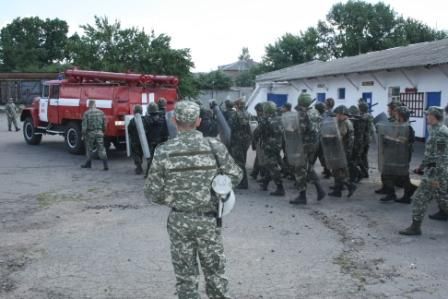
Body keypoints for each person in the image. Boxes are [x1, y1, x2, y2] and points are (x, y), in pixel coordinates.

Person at [144, 100, 242, 299]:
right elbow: (236, 176)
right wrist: (215, 189)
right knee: (215, 274)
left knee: (185, 277)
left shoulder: (164, 150)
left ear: (175, 120)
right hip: (208, 219)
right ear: (198, 121)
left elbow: (152, 192)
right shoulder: (215, 146)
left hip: (179, 220)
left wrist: (174, 196)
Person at [399, 107, 448, 236]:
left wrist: (435, 175)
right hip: (436, 169)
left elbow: (441, 157)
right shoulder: (434, 129)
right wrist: (421, 167)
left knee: (420, 198)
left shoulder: (441, 132)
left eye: (428, 115)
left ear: (434, 116)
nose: (426, 117)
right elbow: (431, 154)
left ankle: (415, 227)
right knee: (442, 196)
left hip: (436, 172)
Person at [289, 93, 326, 205]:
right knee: (308, 167)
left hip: (303, 144)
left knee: (299, 169)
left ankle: (302, 196)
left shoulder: (303, 114)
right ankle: (320, 190)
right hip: (314, 144)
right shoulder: (315, 112)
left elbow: (301, 129)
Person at [379, 106, 417, 203]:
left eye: (397, 114)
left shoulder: (408, 128)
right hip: (393, 154)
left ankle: (406, 194)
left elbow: (409, 141)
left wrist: (392, 138)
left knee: (401, 176)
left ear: (401, 116)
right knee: (388, 174)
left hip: (401, 156)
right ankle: (392, 194)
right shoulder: (395, 125)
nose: (395, 116)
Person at [328, 105, 356, 197]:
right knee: (339, 170)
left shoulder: (345, 123)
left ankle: (350, 186)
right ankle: (338, 190)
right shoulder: (345, 121)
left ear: (342, 114)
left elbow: (340, 135)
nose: (336, 116)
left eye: (337, 115)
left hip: (342, 150)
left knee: (338, 170)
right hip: (343, 149)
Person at [259, 101, 285, 196]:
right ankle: (265, 183)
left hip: (269, 146)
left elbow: (258, 132)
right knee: (270, 164)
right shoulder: (280, 118)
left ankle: (280, 187)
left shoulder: (265, 120)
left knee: (271, 165)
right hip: (278, 145)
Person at [375, 100, 401, 194]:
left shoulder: (399, 121)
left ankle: (390, 190)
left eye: (390, 109)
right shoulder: (389, 120)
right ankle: (385, 187)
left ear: (395, 110)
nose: (388, 111)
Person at [228, 98, 252, 189]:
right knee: (243, 160)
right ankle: (243, 182)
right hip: (246, 141)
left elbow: (231, 127)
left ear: (237, 105)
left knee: (238, 162)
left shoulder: (235, 115)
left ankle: (243, 183)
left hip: (237, 140)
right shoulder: (249, 114)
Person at [81, 100, 108, 170]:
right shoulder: (101, 112)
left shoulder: (86, 113)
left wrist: (83, 134)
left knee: (89, 148)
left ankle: (88, 164)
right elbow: (105, 124)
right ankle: (105, 165)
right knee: (101, 149)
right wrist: (103, 131)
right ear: (95, 104)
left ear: (89, 105)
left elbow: (84, 126)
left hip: (90, 133)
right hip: (99, 132)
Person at [144, 103, 169, 176]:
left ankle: (148, 174)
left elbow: (145, 132)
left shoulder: (146, 119)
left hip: (151, 142)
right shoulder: (163, 119)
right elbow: (166, 131)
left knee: (151, 159)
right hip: (161, 141)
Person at [127, 105, 145, 174]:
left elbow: (129, 130)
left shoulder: (132, 121)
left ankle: (138, 166)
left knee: (136, 154)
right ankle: (140, 165)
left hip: (135, 140)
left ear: (134, 111)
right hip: (143, 141)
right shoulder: (144, 119)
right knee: (141, 153)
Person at [358, 101, 373, 178]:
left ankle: (364, 171)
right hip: (367, 139)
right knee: (364, 156)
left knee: (360, 156)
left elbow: (361, 127)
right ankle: (365, 170)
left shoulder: (365, 116)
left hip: (363, 139)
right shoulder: (369, 115)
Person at [250, 103, 265, 180]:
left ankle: (260, 174)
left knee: (260, 157)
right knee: (259, 157)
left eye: (257, 111)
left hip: (261, 141)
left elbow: (257, 131)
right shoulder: (260, 117)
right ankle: (255, 173)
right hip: (260, 140)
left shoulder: (263, 118)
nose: (256, 112)